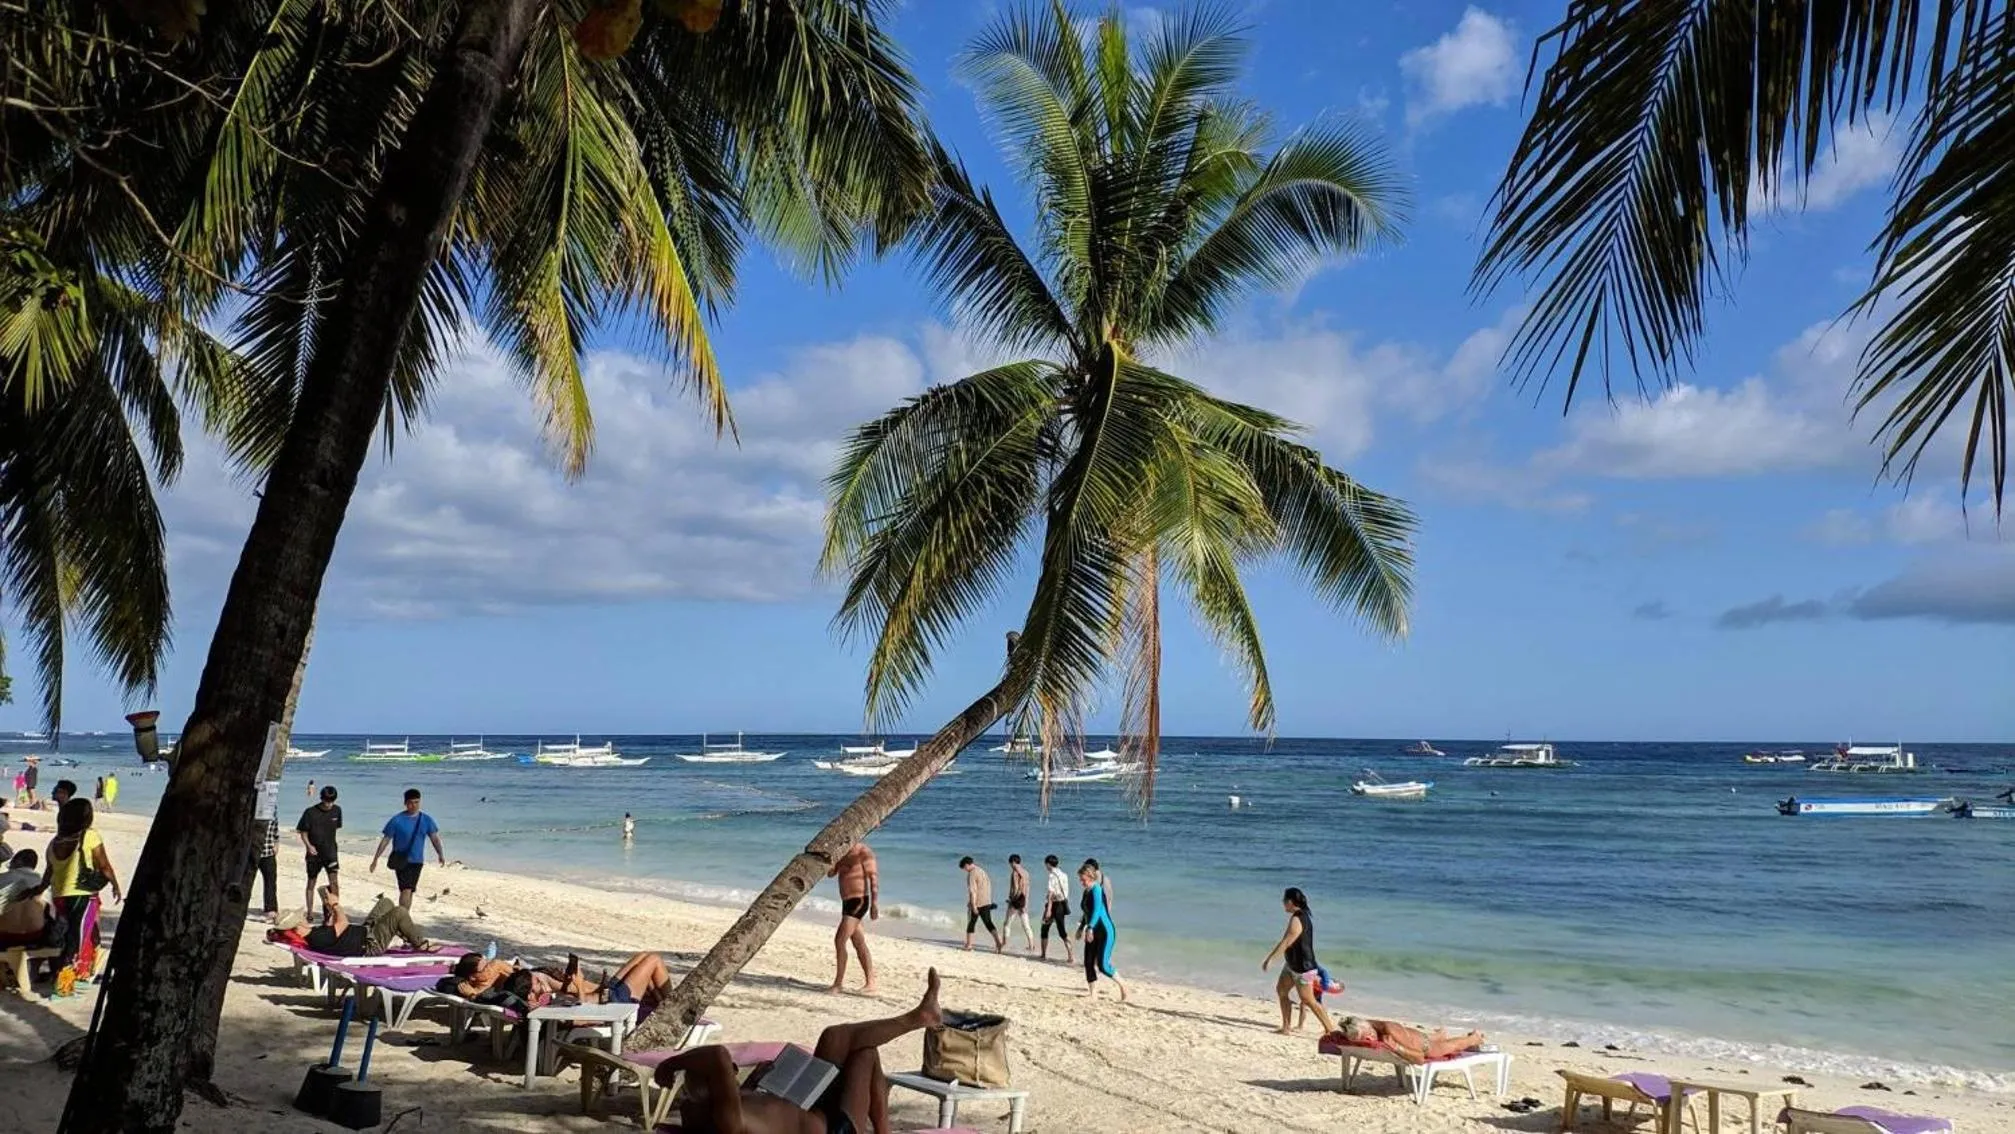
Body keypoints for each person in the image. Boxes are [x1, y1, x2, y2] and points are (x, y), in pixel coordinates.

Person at [655, 968, 942, 1134]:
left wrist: (755, 1081)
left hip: (806, 1102)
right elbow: (717, 1056)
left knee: (833, 1036)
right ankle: (919, 1019)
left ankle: (920, 1017)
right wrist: (670, 1063)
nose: (683, 1097)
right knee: (864, 1053)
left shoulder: (709, 1110)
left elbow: (754, 1107)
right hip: (831, 1127)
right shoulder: (727, 1120)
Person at [45, 797, 120, 983]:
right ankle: (66, 979)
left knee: (68, 935)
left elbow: (49, 872)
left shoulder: (55, 842)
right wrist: (115, 885)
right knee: (78, 937)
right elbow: (104, 866)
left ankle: (69, 973)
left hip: (59, 895)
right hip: (82, 895)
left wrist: (38, 888)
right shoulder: (89, 836)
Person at [1262, 887, 1338, 1035]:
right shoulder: (1298, 916)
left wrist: (1270, 959)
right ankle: (1286, 1027)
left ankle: (1331, 1030)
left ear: (1290, 902)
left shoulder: (1298, 919)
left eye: (1284, 901)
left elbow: (1286, 942)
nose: (1283, 904)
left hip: (1304, 969)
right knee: (1281, 990)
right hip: (1291, 965)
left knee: (1308, 1000)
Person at [307, 887, 433, 957]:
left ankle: (403, 932)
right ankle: (420, 944)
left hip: (365, 932)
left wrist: (330, 913)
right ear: (299, 925)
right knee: (399, 912)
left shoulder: (314, 933)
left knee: (386, 902)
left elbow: (337, 932)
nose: (303, 918)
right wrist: (334, 905)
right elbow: (343, 925)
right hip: (370, 944)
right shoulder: (316, 936)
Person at [371, 788, 444, 909]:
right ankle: (401, 918)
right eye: (411, 802)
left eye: (416, 802)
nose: (414, 805)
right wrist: (375, 859)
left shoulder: (426, 820)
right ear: (405, 803)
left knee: (410, 891)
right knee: (406, 889)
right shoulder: (397, 820)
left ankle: (404, 917)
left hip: (417, 861)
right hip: (401, 860)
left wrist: (440, 854)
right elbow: (386, 840)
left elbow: (434, 838)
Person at [827, 842, 878, 994]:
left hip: (859, 901)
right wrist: (831, 859)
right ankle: (871, 983)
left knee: (839, 940)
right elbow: (830, 874)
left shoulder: (864, 851)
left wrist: (874, 904)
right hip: (847, 902)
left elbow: (873, 879)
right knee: (859, 942)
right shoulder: (842, 852)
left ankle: (838, 984)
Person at [1076, 859, 1126, 1001]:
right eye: (1080, 879)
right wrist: (1081, 928)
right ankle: (1093, 994)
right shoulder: (1086, 891)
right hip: (1092, 929)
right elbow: (1087, 912)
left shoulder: (1097, 889)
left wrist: (1090, 928)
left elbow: (1097, 910)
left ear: (1090, 877)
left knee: (1103, 965)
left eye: (1083, 879)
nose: (1081, 882)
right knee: (1088, 961)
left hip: (1105, 930)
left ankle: (1123, 985)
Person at [1335, 1016, 1486, 1061]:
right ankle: (1440, 1035)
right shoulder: (1360, 1026)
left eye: (1368, 1035)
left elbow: (1420, 1058)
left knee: (1458, 1044)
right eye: (1364, 1039)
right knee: (1422, 1037)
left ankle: (1475, 1037)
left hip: (1427, 1047)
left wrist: (1396, 1048)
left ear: (1367, 1026)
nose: (1369, 1039)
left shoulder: (1390, 1031)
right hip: (1412, 1036)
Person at [296, 784, 343, 915]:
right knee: (311, 882)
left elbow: (336, 828)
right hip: (314, 853)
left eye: (332, 801)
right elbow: (303, 832)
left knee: (334, 882)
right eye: (327, 801)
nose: (329, 804)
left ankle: (335, 911)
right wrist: (309, 846)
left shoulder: (337, 810)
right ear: (322, 798)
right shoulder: (310, 812)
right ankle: (310, 912)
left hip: (331, 852)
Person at [0, 848, 53, 948]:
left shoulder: (3, 878)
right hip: (35, 935)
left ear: (16, 861)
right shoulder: (44, 884)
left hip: (4, 935)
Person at [959, 856, 1004, 953]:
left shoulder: (971, 874)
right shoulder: (981, 871)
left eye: (964, 868)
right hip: (987, 901)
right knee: (989, 923)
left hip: (978, 902)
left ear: (967, 865)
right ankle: (998, 942)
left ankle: (969, 944)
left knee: (971, 923)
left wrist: (973, 905)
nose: (965, 870)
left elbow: (973, 891)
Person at [1040, 854, 1075, 964]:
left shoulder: (1052, 875)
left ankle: (1044, 954)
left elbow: (1051, 893)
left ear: (1048, 864)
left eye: (1046, 864)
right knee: (1062, 931)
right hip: (1062, 904)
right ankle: (1070, 955)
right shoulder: (1064, 875)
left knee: (1044, 929)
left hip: (1054, 904)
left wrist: (1049, 909)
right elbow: (1065, 892)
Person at [245, 812, 279, 922]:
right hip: (251, 852)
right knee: (245, 881)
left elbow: (275, 827)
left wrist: (277, 843)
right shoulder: (252, 808)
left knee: (270, 881)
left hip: (268, 852)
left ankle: (271, 908)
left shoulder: (272, 808)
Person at [1003, 854, 1035, 953]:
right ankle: (1031, 945)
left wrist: (1012, 900)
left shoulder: (1015, 873)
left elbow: (1016, 888)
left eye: (1010, 864)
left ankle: (1004, 943)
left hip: (1016, 901)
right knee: (1026, 925)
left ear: (1012, 862)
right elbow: (1027, 888)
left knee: (1007, 924)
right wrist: (1026, 902)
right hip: (1024, 901)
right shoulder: (1026, 873)